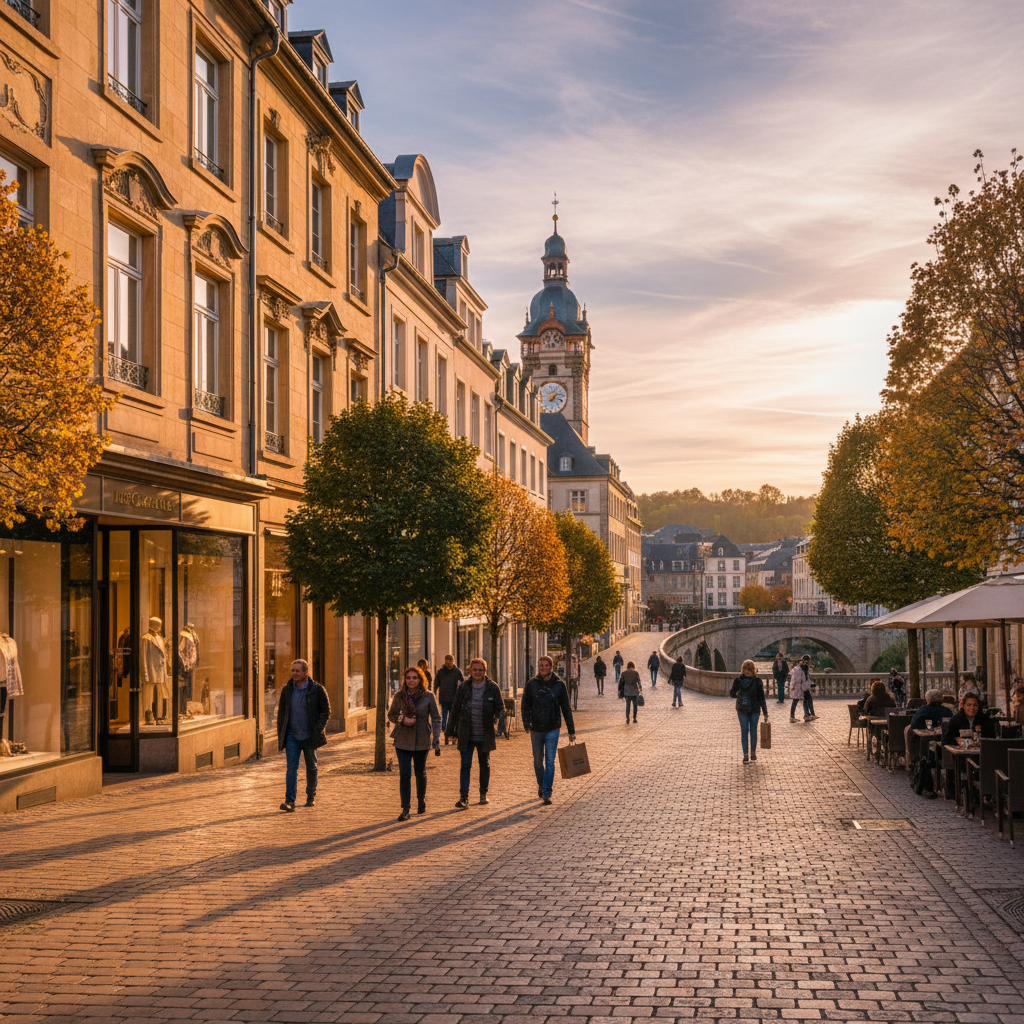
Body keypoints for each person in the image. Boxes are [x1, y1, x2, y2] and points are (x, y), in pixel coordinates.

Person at [445, 657, 506, 809]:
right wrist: (450, 731)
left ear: (485, 671)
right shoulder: (464, 687)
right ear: (470, 670)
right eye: (475, 670)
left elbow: (501, 708)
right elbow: (455, 709)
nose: (478, 672)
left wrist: (500, 726)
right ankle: (464, 797)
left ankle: (483, 794)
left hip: (485, 734)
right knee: (465, 765)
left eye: (481, 670)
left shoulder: (493, 687)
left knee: (484, 764)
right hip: (466, 734)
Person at [387, 666, 441, 821]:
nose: (411, 681)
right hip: (403, 739)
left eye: (414, 678)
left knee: (420, 772)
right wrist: (402, 720)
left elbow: (436, 717)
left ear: (420, 679)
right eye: (408, 678)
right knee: (404, 774)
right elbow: (391, 715)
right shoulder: (399, 696)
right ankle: (405, 808)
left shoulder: (428, 696)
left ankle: (421, 800)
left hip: (422, 739)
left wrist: (436, 738)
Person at [521, 655, 576, 805]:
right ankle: (541, 783)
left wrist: (571, 731)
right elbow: (525, 704)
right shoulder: (531, 684)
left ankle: (547, 791)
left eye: (546, 665)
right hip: (536, 728)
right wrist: (527, 723)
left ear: (551, 667)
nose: (543, 668)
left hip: (553, 727)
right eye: (541, 665)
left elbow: (566, 708)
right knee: (538, 760)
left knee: (550, 761)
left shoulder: (559, 685)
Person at [276, 659, 330, 812]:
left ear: (306, 672)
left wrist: (317, 729)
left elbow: (326, 711)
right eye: (292, 670)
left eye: (297, 671)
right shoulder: (287, 689)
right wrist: (282, 732)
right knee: (291, 768)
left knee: (311, 767)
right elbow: (282, 712)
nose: (294, 673)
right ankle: (289, 801)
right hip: (292, 735)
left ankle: (310, 796)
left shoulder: (317, 689)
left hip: (309, 735)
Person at [730, 660, 769, 764]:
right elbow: (761, 698)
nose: (748, 672)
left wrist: (739, 693)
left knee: (747, 731)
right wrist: (765, 712)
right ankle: (749, 753)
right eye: (747, 670)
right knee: (749, 731)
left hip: (746, 709)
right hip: (751, 709)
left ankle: (748, 754)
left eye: (749, 670)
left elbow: (732, 694)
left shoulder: (740, 681)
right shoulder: (756, 681)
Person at [433, 655, 463, 744]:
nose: (449, 663)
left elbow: (463, 683)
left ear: (453, 661)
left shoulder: (457, 672)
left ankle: (452, 736)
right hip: (444, 698)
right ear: (445, 661)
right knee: (444, 720)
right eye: (447, 661)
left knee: (452, 719)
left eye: (450, 661)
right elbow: (436, 683)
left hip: (454, 699)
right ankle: (446, 734)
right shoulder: (441, 672)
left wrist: (462, 695)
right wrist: (434, 694)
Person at [789, 655, 816, 722]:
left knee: (806, 700)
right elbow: (794, 679)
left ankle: (807, 714)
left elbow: (806, 679)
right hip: (799, 688)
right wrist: (792, 687)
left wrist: (810, 684)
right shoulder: (798, 669)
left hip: (803, 687)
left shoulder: (804, 668)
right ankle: (793, 717)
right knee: (796, 701)